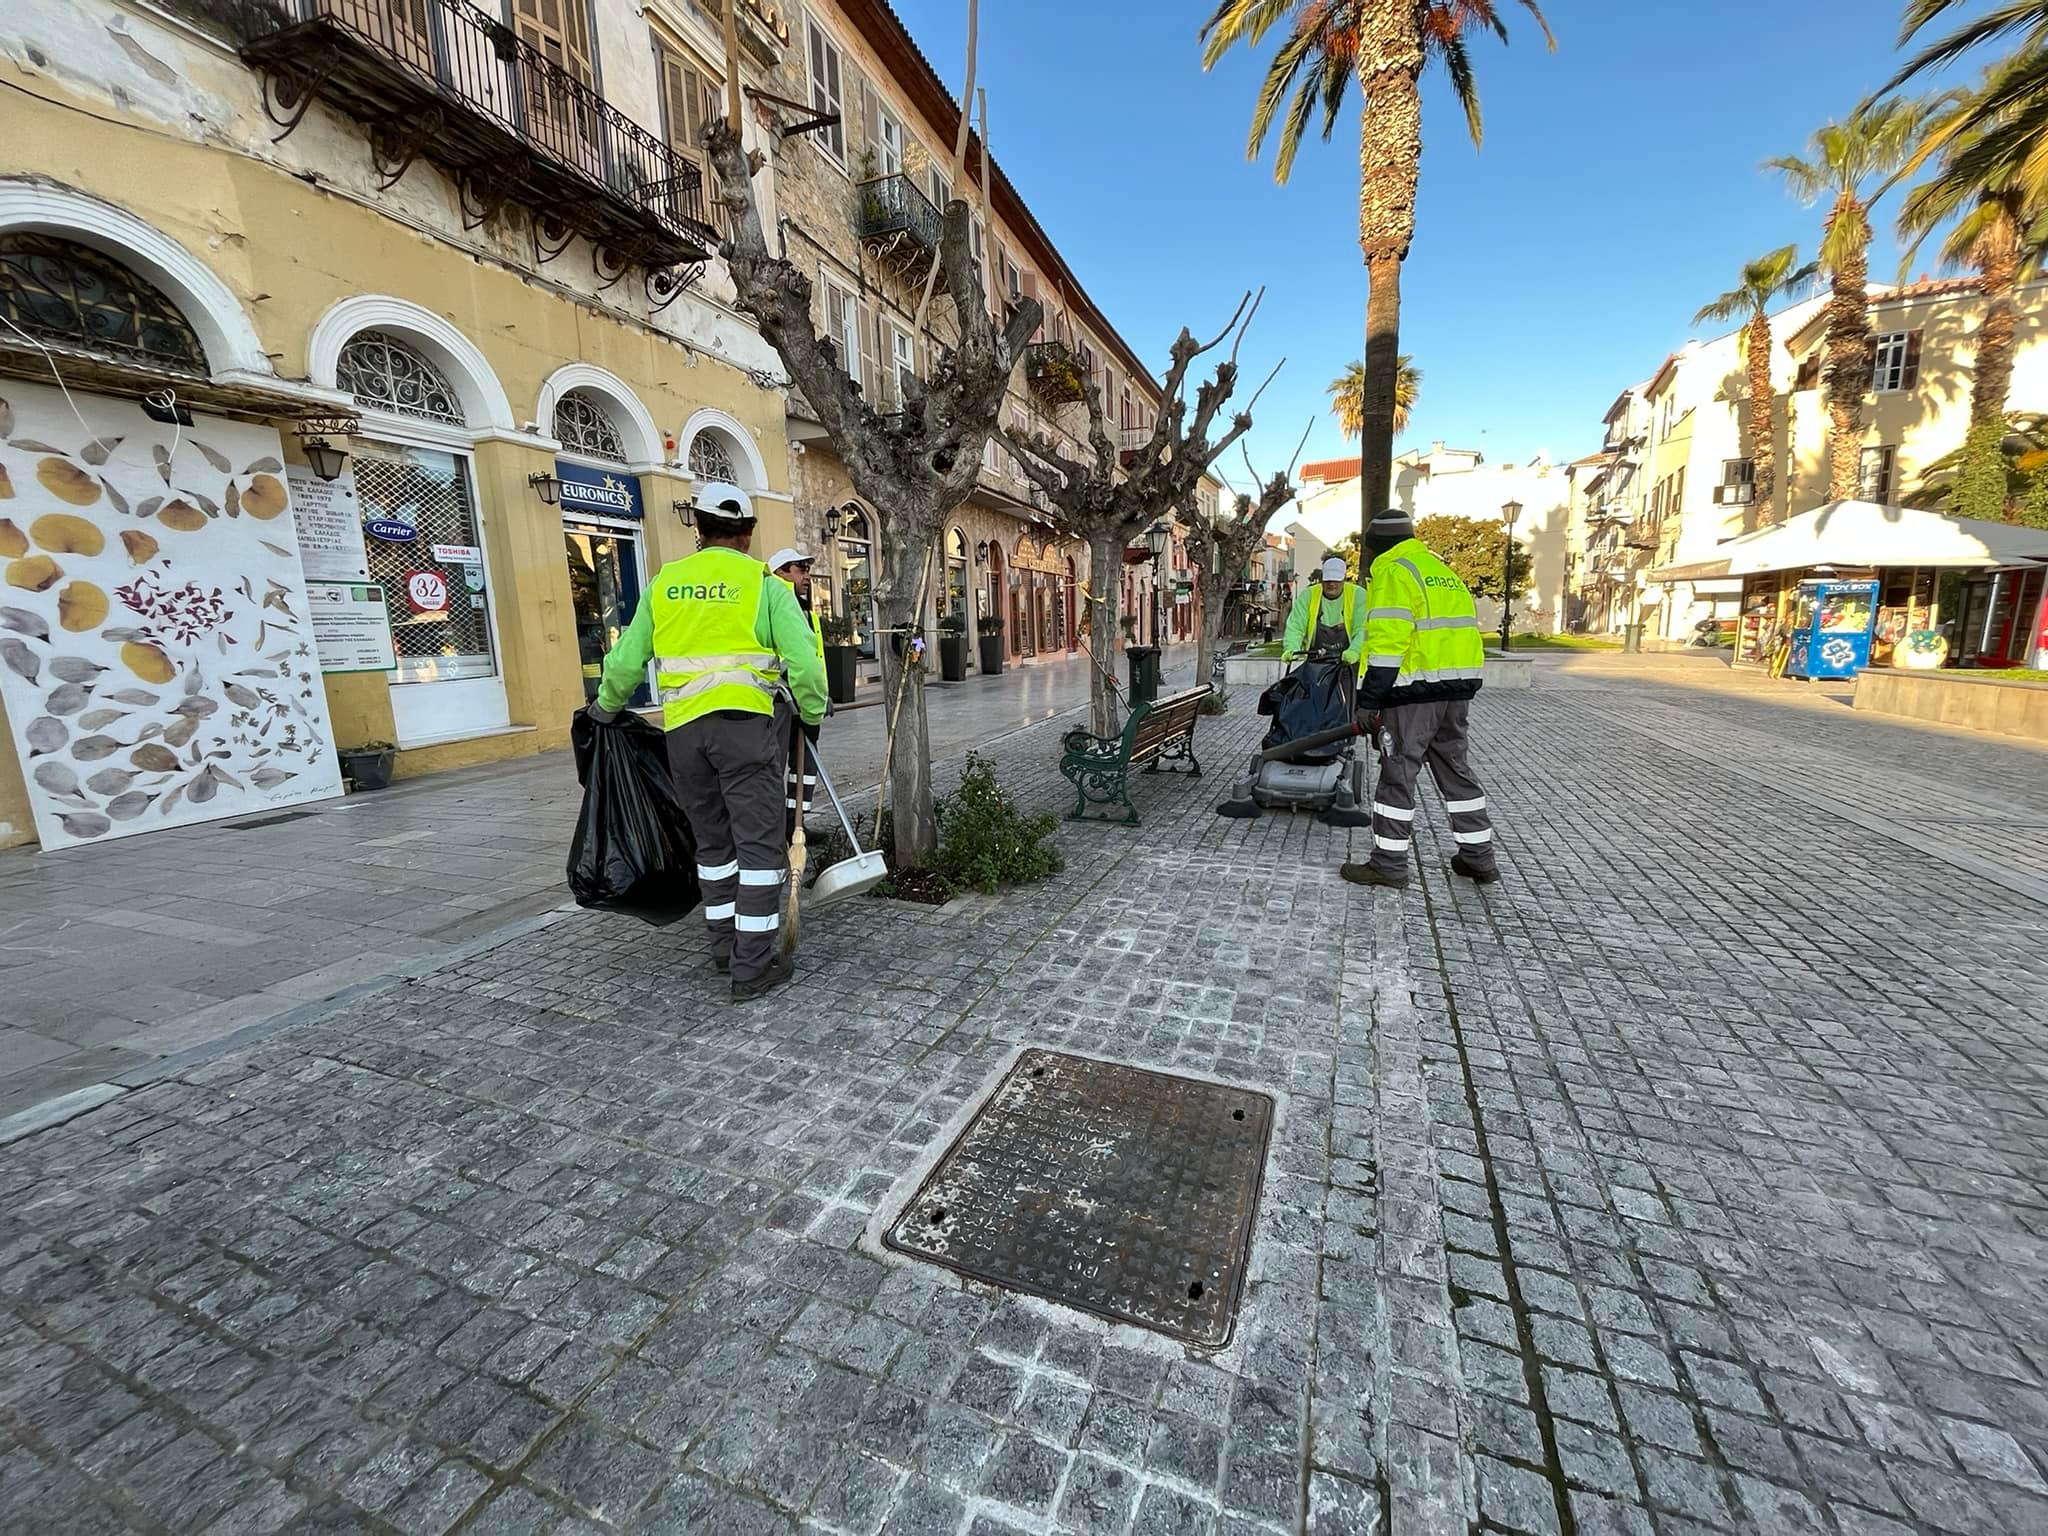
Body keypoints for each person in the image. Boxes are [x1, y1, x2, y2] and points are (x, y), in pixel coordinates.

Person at [590, 484, 828, 999]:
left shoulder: (666, 583)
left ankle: (723, 948)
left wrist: (605, 708)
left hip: (684, 737)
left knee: (714, 847)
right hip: (744, 734)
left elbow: (628, 660)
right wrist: (811, 714)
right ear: (747, 534)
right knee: (761, 849)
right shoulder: (764, 584)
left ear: (698, 528)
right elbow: (805, 664)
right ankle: (751, 968)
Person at [1341, 509, 1499, 890]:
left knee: (1397, 774)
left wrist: (1369, 700)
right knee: (1456, 771)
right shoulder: (1441, 571)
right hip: (1455, 690)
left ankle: (1388, 865)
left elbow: (1387, 644)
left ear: (1376, 546)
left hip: (1413, 694)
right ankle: (1479, 858)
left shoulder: (1394, 571)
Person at [768, 547, 826, 838]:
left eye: (807, 570)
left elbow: (812, 659)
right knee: (774, 767)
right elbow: (794, 660)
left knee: (804, 767)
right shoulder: (776, 601)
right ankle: (777, 829)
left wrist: (818, 697)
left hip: (802, 699)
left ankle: (796, 825)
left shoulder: (803, 607)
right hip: (781, 701)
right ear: (781, 572)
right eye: (800, 569)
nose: (807, 576)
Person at [1282, 555, 1366, 668]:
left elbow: (1362, 628)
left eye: (1336, 580)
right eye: (1328, 580)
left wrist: (1355, 651)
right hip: (1315, 662)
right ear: (1322, 579)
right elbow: (1295, 626)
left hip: (1348, 664)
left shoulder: (1358, 595)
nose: (1332, 584)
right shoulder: (1308, 595)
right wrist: (1291, 648)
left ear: (1344, 578)